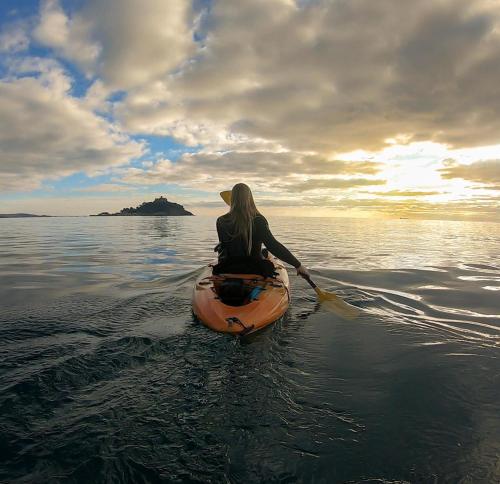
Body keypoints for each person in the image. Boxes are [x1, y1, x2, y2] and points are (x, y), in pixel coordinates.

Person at [215, 183, 310, 278]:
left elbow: (225, 247)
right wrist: (298, 265)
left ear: (232, 199)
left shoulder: (221, 220)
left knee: (263, 252)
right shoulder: (258, 219)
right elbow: (272, 245)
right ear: (250, 198)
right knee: (264, 254)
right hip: (253, 269)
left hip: (226, 267)